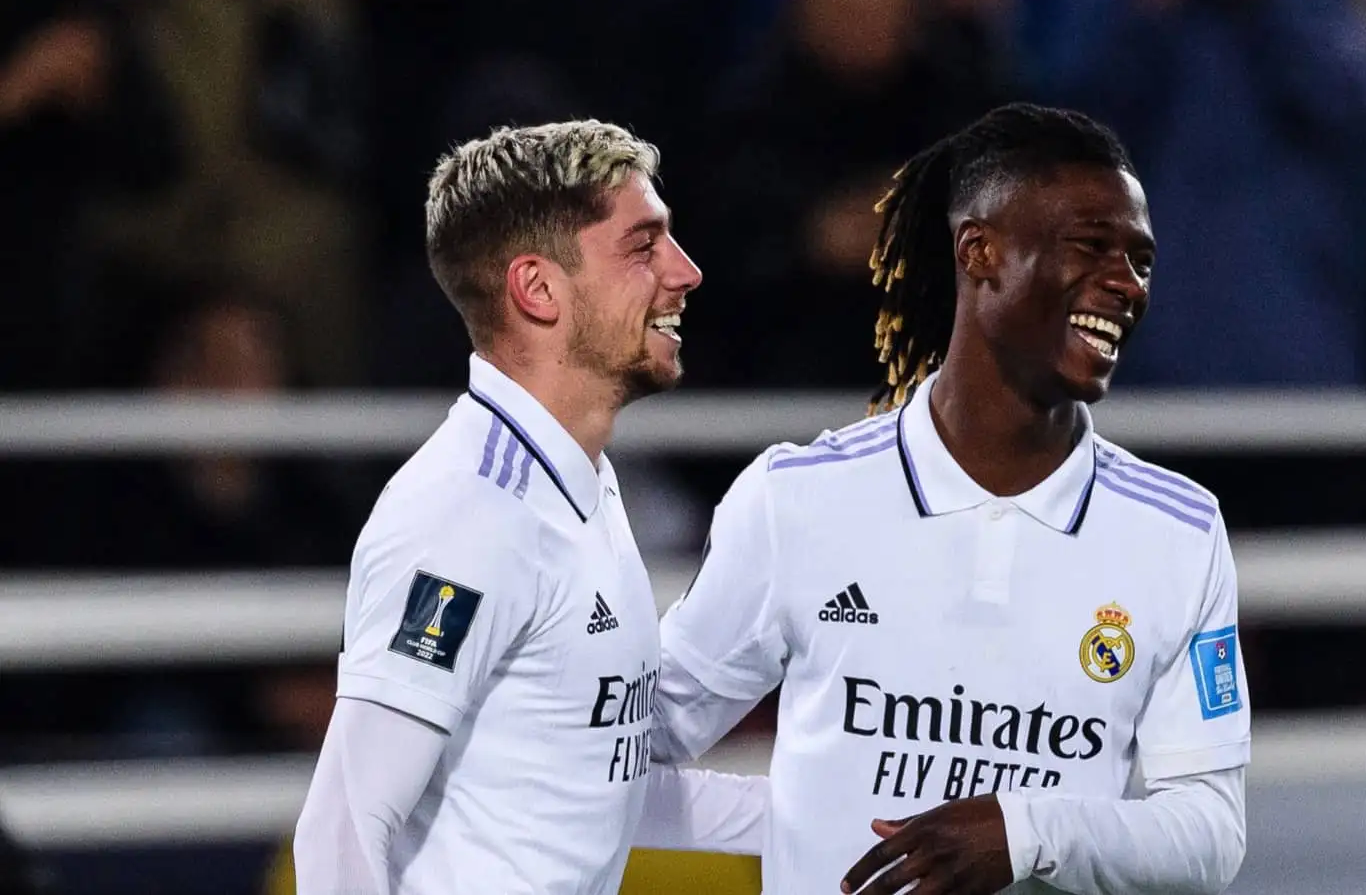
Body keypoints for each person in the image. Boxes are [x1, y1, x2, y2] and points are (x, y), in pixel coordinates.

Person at [653, 103, 1249, 894]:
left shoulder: (1177, 531)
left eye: (1140, 261)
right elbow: (645, 735)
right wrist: (792, 825)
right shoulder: (799, 500)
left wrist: (1029, 831)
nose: (1125, 286)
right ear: (980, 250)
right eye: (1091, 249)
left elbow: (1210, 833)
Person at [292, 121, 766, 895]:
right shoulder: (468, 515)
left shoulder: (577, 480)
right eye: (643, 247)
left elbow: (582, 787)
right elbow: (342, 827)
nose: (686, 272)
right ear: (538, 288)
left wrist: (827, 814)